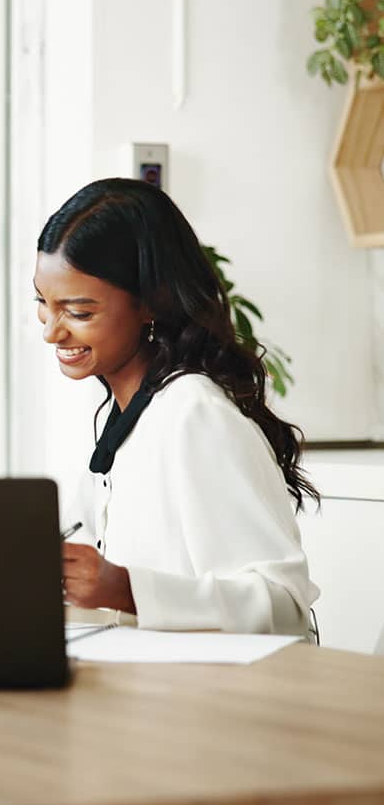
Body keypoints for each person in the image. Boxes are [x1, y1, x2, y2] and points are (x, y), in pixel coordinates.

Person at [34, 178, 319, 635]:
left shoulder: (195, 415)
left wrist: (124, 588)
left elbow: (284, 606)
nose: (51, 331)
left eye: (79, 312)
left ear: (150, 303)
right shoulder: (122, 416)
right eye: (43, 304)